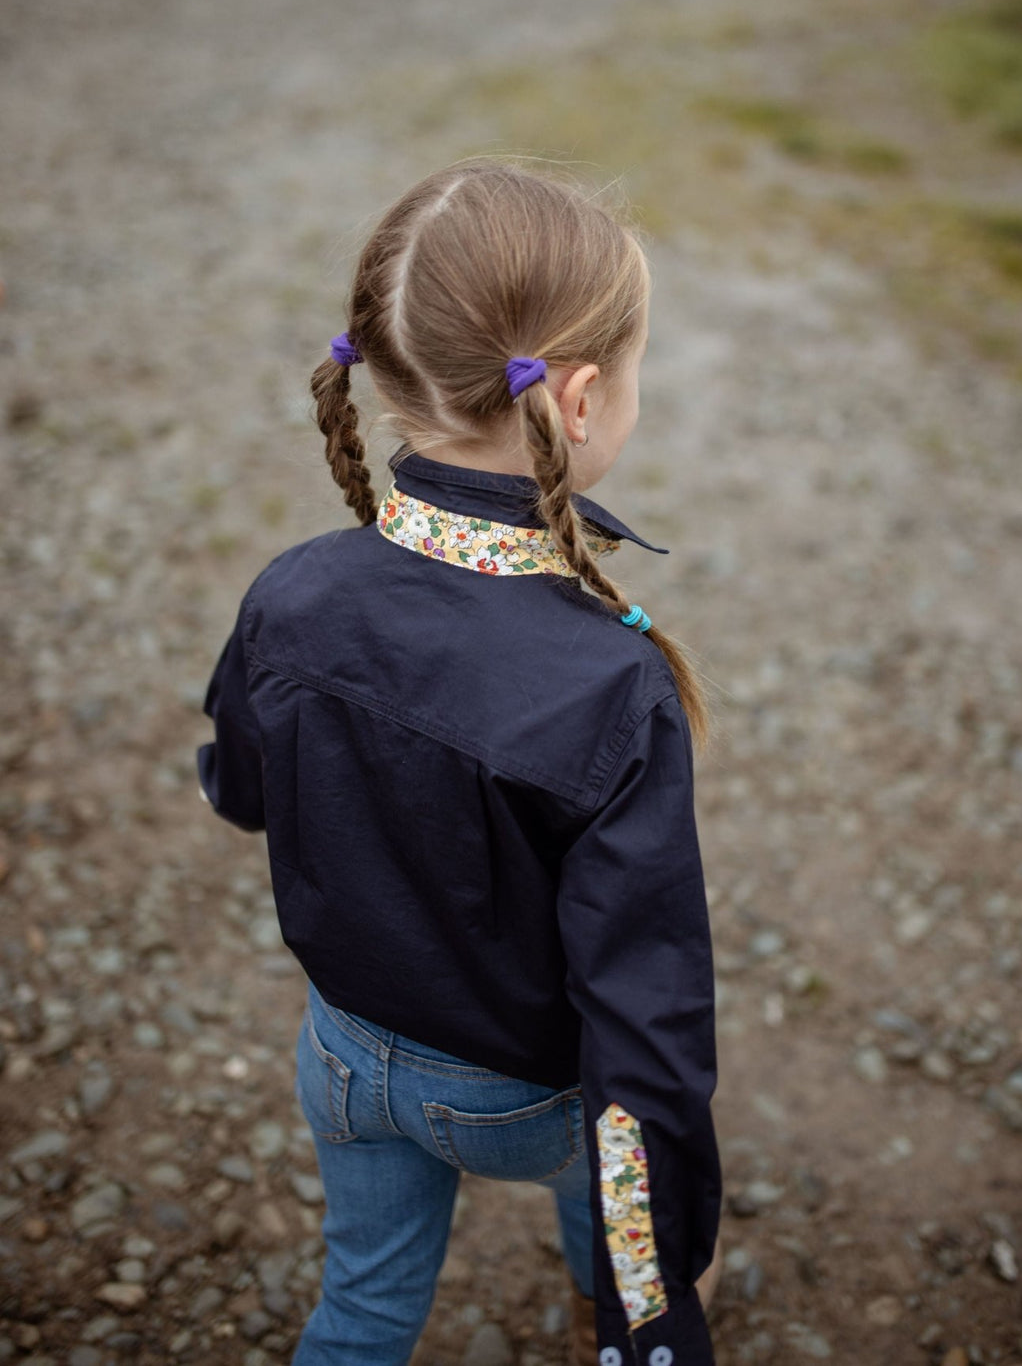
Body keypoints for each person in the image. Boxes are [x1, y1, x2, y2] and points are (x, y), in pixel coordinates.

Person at [196, 159, 724, 1366]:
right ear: (579, 399)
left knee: (365, 1304)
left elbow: (241, 785)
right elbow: (644, 1014)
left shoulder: (294, 590)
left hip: (339, 1053)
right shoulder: (608, 680)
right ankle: (609, 1308)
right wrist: (664, 1296)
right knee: (607, 1207)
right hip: (516, 1094)